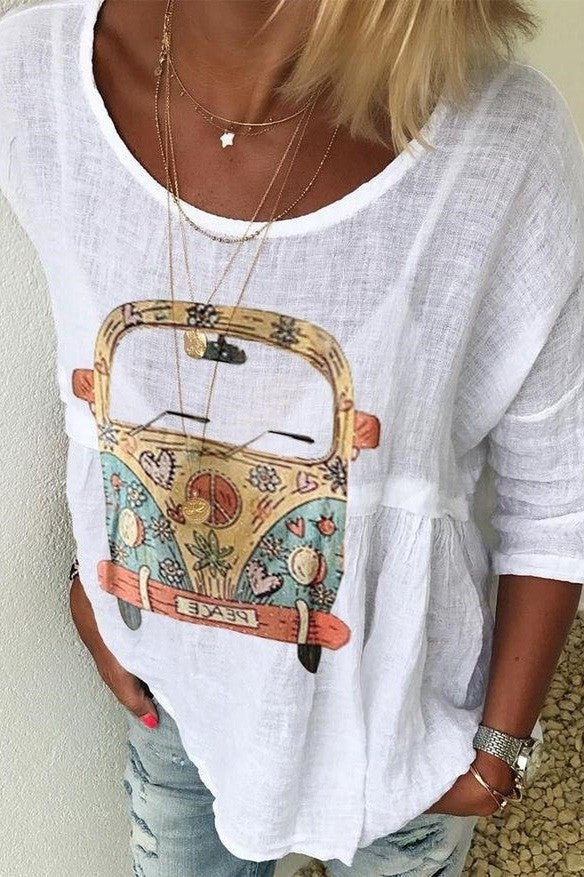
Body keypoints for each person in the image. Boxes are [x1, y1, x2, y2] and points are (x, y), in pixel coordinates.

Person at [1, 0, 583, 874]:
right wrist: (98, 576)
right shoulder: (32, 76)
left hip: (398, 713)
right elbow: (95, 402)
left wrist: (500, 750)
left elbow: (556, 489)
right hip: (173, 696)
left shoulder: (502, 137)